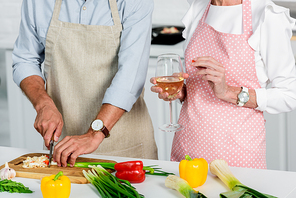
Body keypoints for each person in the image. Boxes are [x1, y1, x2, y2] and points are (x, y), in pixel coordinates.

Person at [151, 0, 296, 169]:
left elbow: (290, 94)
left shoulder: (266, 15)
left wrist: (228, 92)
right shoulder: (198, 9)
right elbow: (198, 85)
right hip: (187, 151)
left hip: (238, 155)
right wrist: (182, 91)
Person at [12, 0, 158, 167]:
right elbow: (25, 60)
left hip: (126, 149)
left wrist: (96, 133)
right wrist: (43, 104)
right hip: (64, 150)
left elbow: (131, 75)